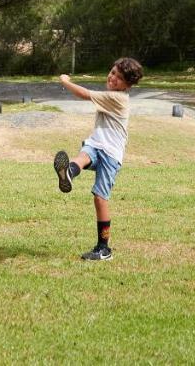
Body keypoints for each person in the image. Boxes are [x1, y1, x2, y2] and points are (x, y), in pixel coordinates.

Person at [52, 57, 144, 261]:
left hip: (111, 155)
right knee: (85, 153)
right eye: (112, 72)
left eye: (119, 78)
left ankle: (104, 249)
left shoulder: (118, 98)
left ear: (128, 85)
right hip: (97, 144)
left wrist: (65, 81)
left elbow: (84, 94)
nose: (113, 78)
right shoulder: (112, 94)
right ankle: (67, 173)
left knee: (100, 198)